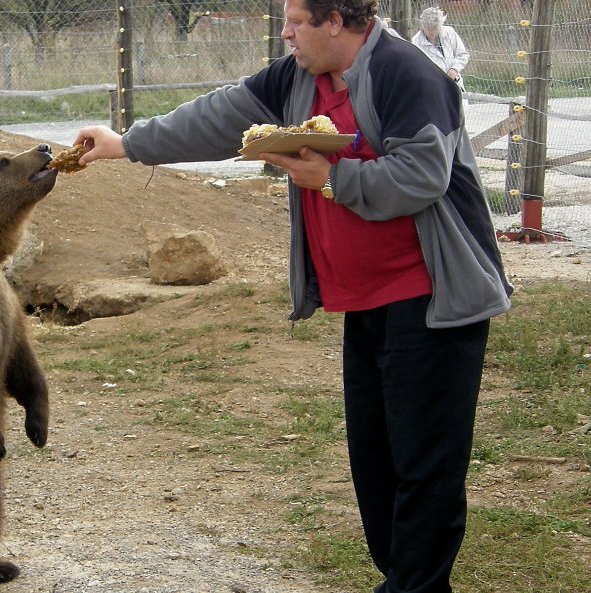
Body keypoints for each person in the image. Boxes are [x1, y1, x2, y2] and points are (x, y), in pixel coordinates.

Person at [73, 1, 512, 592]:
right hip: (363, 299)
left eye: (297, 20)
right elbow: (219, 116)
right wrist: (126, 144)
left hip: (433, 296)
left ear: (337, 21)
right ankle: (406, 581)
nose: (285, 33)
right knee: (376, 465)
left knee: (425, 466)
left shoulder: (411, 75)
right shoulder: (297, 77)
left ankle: (414, 588)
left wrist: (330, 179)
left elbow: (422, 176)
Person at [411, 7, 470, 91]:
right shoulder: (415, 43)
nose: (433, 31)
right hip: (432, 89)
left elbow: (463, 55)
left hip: (455, 84)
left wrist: (454, 69)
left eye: (436, 28)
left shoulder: (450, 33)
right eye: (429, 28)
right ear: (423, 26)